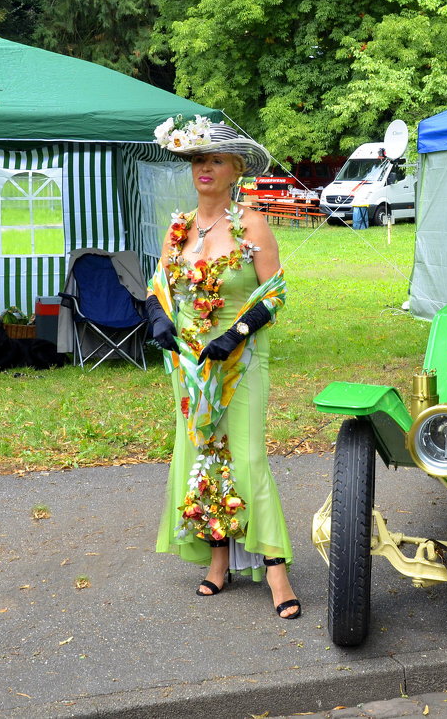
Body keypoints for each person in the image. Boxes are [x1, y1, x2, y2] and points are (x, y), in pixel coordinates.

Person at [145, 117, 301, 620]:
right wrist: (157, 320)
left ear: (236, 169)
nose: (204, 168)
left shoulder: (251, 224)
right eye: (197, 160)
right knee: (202, 457)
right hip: (189, 367)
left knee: (248, 458)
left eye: (214, 159)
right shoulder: (179, 228)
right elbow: (158, 288)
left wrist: (233, 335)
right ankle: (218, 562)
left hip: (241, 360)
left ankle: (275, 569)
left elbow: (275, 294)